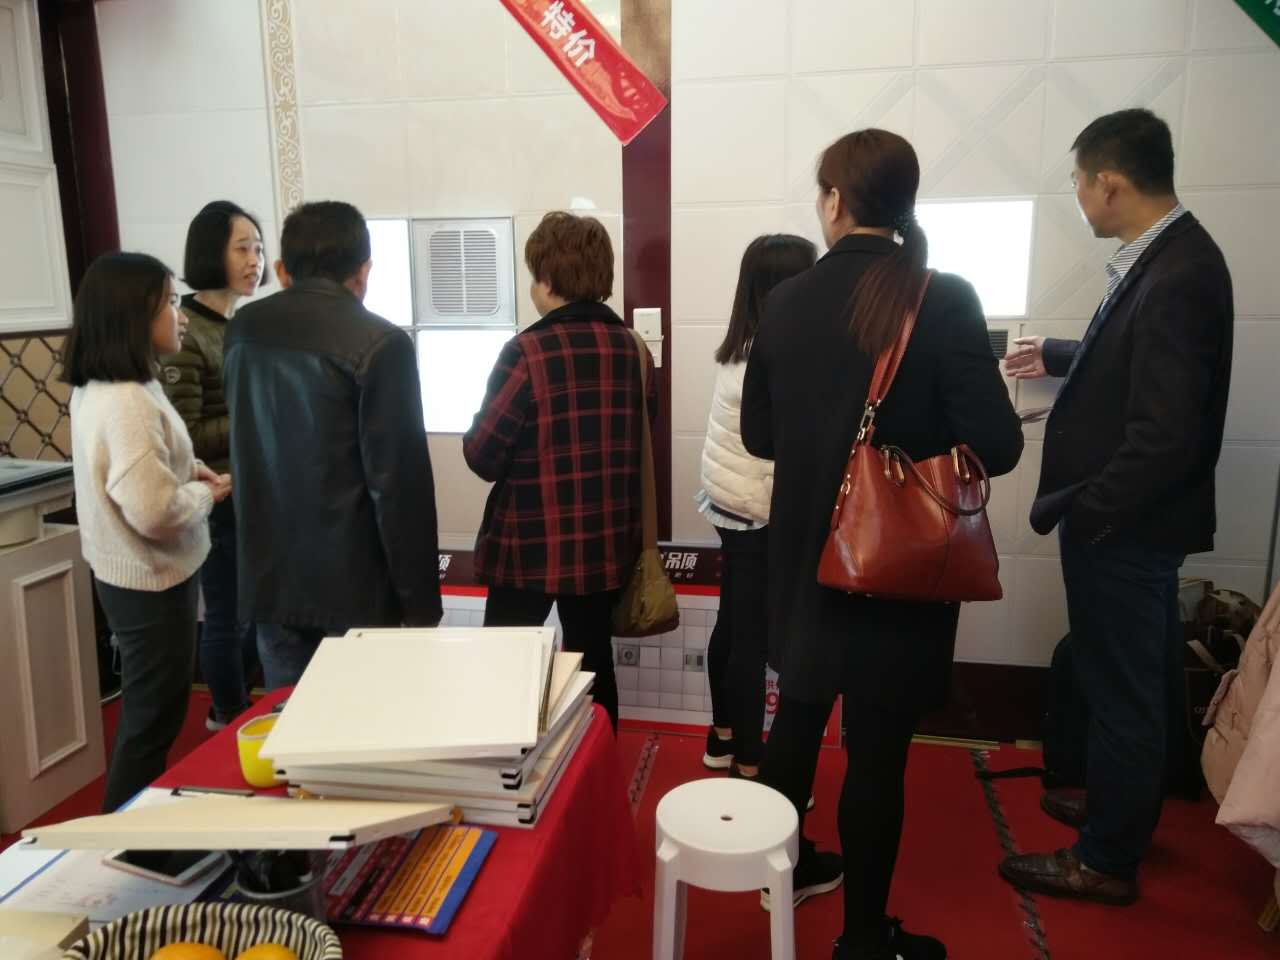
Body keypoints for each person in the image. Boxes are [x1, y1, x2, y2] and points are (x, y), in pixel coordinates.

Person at [741, 129, 1023, 960]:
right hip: (899, 575)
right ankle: (863, 940)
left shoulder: (786, 301)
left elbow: (759, 434)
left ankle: (781, 886)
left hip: (806, 560)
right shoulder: (944, 297)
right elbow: (998, 445)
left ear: (834, 201)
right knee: (876, 759)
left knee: (795, 727)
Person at [999, 108, 1233, 906]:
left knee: (1123, 689)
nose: (1077, 197)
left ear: (1108, 182)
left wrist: (1093, 511)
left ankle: (1105, 859)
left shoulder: (1179, 273)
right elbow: (1132, 357)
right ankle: (1120, 812)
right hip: (1133, 524)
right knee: (1133, 680)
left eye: (1076, 182)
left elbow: (1165, 435)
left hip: (1126, 528)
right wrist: (1057, 353)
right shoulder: (1169, 256)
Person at [224, 200, 443, 688]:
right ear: (363, 271)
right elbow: (398, 486)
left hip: (270, 581)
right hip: (354, 590)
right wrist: (421, 606)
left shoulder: (242, 330)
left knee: (290, 721)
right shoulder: (380, 343)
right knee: (366, 722)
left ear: (285, 269)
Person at [464, 211, 654, 732]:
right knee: (593, 665)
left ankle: (504, 762)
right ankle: (597, 762)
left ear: (548, 280)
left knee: (507, 664)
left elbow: (483, 455)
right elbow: (642, 435)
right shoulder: (633, 349)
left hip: (528, 545)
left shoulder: (525, 352)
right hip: (603, 545)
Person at [63, 252, 231, 811]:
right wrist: (206, 494)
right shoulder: (128, 400)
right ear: (133, 315)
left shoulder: (112, 384)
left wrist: (191, 471)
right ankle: (127, 840)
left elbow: (146, 466)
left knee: (150, 714)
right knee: (151, 722)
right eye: (170, 304)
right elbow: (155, 513)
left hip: (130, 573)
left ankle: (135, 833)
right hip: (149, 579)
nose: (181, 316)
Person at [695, 234, 816, 778]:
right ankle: (748, 760)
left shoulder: (743, 345)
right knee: (751, 640)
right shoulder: (774, 357)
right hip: (756, 512)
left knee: (733, 624)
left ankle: (723, 736)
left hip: (731, 505)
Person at [160, 200, 267, 731]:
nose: (255, 261)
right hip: (216, 493)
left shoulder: (241, 323)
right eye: (242, 248)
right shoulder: (186, 331)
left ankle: (234, 701)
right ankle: (226, 714)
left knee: (258, 611)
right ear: (211, 253)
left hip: (250, 489)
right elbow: (186, 436)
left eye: (259, 249)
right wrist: (258, 414)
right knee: (227, 614)